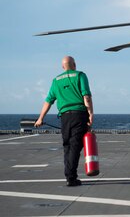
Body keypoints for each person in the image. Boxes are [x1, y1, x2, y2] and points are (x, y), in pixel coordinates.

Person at [35, 56, 93, 187]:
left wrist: (40, 118)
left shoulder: (56, 81)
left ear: (62, 67)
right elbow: (87, 97)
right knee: (75, 146)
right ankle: (71, 178)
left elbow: (48, 101)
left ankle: (69, 176)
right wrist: (90, 114)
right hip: (79, 115)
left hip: (65, 118)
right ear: (74, 64)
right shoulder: (80, 75)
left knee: (67, 146)